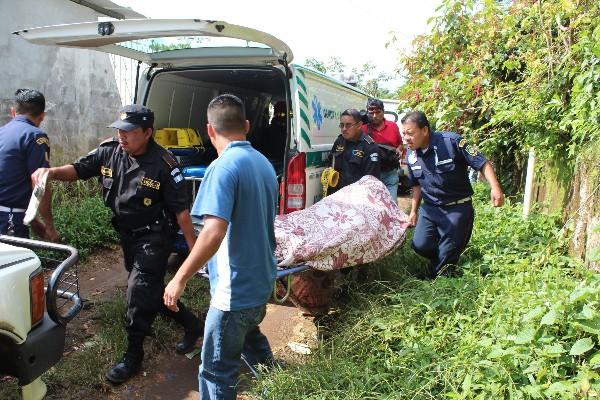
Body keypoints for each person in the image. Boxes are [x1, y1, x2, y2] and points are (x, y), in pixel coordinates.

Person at [31, 105, 203, 384]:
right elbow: (77, 170)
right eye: (119, 130)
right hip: (127, 235)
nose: (122, 136)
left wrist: (195, 253)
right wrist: (49, 173)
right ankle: (192, 324)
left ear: (147, 133)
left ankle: (132, 356)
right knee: (152, 291)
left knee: (138, 295)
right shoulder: (109, 151)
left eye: (130, 132)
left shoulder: (164, 164)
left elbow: (182, 213)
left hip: (155, 237)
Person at [163, 94, 278, 400]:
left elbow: (213, 232)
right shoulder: (263, 163)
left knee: (215, 371)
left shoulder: (222, 167)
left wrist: (179, 277)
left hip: (233, 291)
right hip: (260, 282)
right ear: (248, 126)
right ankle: (281, 389)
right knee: (251, 341)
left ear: (209, 130)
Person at [402, 111, 504, 278]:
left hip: (457, 209)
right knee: (420, 245)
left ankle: (438, 281)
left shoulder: (451, 142)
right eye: (404, 133)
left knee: (446, 261)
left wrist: (495, 187)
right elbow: (416, 184)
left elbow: (482, 163)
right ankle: (444, 258)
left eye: (410, 133)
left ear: (425, 130)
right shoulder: (411, 154)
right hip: (430, 210)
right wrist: (413, 211)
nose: (406, 138)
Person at [0, 89, 58, 241]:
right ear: (42, 116)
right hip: (10, 220)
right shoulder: (35, 136)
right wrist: (50, 227)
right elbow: (40, 183)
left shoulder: (2, 133)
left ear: (13, 112)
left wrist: (33, 221)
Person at [328, 108, 381, 195]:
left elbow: (372, 182)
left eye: (348, 125)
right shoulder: (339, 141)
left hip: (357, 198)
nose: (344, 129)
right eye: (342, 125)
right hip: (337, 196)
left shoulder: (370, 147)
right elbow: (331, 166)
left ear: (359, 125)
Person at [361, 98, 403, 199]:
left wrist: (399, 149)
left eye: (378, 112)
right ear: (367, 113)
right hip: (371, 175)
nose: (374, 116)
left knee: (391, 205)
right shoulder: (363, 129)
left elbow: (400, 144)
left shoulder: (393, 126)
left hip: (390, 174)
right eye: (371, 112)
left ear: (383, 112)